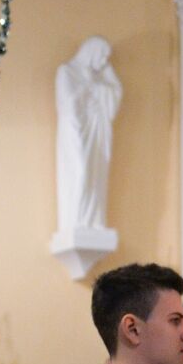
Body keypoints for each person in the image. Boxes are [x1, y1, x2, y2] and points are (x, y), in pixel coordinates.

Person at [54, 36, 122, 234]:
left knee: (95, 174)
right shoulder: (66, 71)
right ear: (91, 52)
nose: (103, 62)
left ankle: (93, 220)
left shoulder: (99, 76)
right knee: (80, 171)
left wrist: (106, 76)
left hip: (97, 130)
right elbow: (67, 104)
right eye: (101, 57)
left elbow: (115, 94)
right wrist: (88, 88)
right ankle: (76, 220)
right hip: (76, 130)